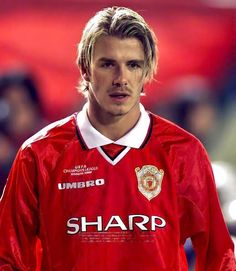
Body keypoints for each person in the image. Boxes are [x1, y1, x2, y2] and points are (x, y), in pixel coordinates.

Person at [0, 6, 235, 271]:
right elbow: (8, 257)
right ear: (85, 69)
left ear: (147, 72)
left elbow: (219, 256)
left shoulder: (184, 151)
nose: (121, 79)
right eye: (108, 64)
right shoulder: (39, 154)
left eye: (133, 65)